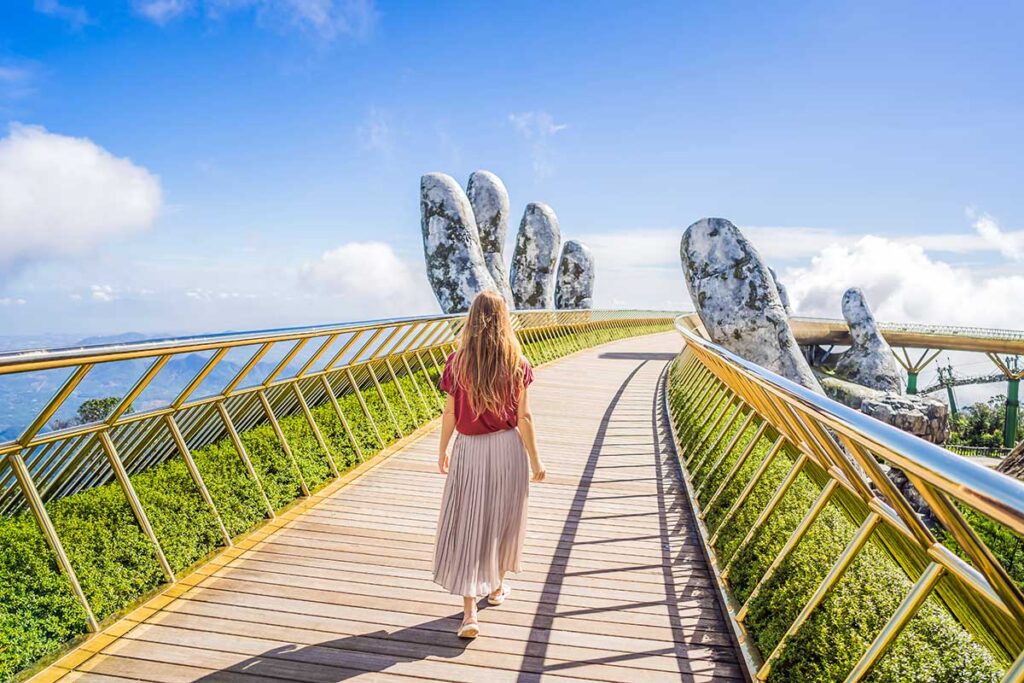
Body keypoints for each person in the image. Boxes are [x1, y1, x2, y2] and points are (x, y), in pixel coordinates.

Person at [433, 290, 547, 638]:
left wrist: (443, 450)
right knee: (501, 519)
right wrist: (535, 460)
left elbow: (450, 413)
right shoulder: (518, 363)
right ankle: (495, 588)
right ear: (504, 318)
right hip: (507, 451)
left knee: (469, 523)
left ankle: (470, 614)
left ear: (472, 318)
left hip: (470, 450)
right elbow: (524, 417)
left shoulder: (457, 362)